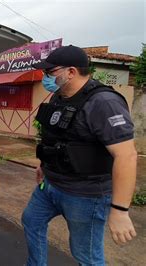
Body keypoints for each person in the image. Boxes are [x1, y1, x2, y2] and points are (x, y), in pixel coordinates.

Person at [22, 45, 137, 265]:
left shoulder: (104, 103)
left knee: (85, 255)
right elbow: (56, 137)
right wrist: (43, 166)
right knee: (31, 221)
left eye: (50, 72)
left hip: (86, 195)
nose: (45, 77)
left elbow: (127, 156)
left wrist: (120, 210)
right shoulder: (59, 97)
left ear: (71, 72)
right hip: (51, 185)